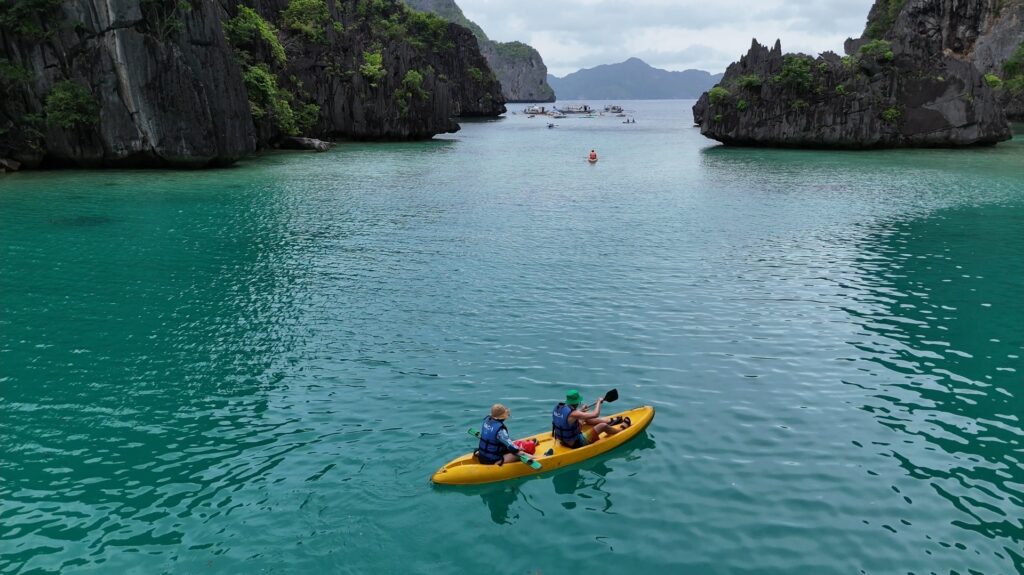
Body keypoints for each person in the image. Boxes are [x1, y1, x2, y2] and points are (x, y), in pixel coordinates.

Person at [551, 390, 630, 449]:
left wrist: (581, 411)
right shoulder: (574, 414)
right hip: (575, 443)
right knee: (602, 426)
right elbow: (595, 414)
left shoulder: (558, 408)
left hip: (562, 440)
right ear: (577, 402)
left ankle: (611, 421)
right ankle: (621, 430)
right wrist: (598, 402)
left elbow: (571, 416)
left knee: (585, 418)